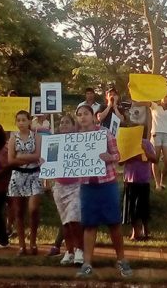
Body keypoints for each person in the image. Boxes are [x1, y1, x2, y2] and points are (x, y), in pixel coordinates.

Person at [75, 104, 132, 278]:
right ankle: (87, 264)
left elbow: (118, 156)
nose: (83, 117)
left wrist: (109, 157)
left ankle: (121, 260)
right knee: (89, 225)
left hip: (107, 184)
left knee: (114, 223)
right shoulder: (75, 138)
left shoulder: (104, 133)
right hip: (87, 185)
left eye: (86, 113)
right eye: (79, 114)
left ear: (93, 116)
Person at [8, 111, 43, 256]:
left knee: (33, 209)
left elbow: (38, 155)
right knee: (18, 211)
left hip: (34, 175)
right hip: (17, 176)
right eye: (18, 120)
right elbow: (11, 160)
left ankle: (33, 242)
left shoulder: (37, 137)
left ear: (29, 121)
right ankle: (22, 245)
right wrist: (30, 157)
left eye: (24, 120)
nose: (21, 123)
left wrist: (21, 156)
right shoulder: (12, 138)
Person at [52, 114, 85, 265]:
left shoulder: (80, 141)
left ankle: (80, 249)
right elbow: (50, 162)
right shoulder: (54, 142)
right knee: (65, 221)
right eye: (61, 123)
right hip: (59, 186)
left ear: (73, 126)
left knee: (74, 219)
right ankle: (69, 251)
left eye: (67, 122)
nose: (64, 125)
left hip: (76, 186)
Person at [122, 124, 157, 240]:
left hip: (143, 180)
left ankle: (145, 230)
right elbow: (120, 161)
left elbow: (155, 159)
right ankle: (135, 232)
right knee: (131, 207)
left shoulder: (146, 143)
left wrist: (145, 151)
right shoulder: (127, 143)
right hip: (130, 179)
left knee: (143, 207)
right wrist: (129, 155)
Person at [134, 93, 167, 190]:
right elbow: (139, 103)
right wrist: (136, 96)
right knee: (155, 159)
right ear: (161, 97)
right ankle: (157, 183)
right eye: (166, 96)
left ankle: (163, 180)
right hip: (156, 134)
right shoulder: (154, 105)